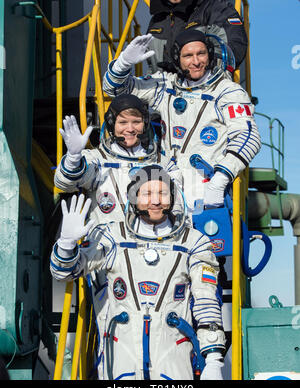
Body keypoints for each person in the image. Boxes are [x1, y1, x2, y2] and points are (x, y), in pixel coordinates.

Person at [50, 165, 226, 380]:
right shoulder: (113, 237)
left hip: (173, 358)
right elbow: (64, 273)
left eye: (162, 193)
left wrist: (213, 359)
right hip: (120, 356)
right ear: (133, 197)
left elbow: (206, 300)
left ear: (172, 197)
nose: (155, 201)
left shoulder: (193, 242)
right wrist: (66, 245)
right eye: (147, 193)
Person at [103, 30, 261, 214]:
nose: (196, 61)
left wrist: (219, 180)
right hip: (165, 189)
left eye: (201, 54)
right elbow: (115, 91)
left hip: (207, 190)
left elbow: (248, 136)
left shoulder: (227, 91)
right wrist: (123, 64)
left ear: (209, 55)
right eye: (188, 55)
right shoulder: (166, 86)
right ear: (177, 58)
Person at [55, 93, 180, 226]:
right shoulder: (97, 160)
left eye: (136, 122)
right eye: (123, 122)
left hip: (150, 242)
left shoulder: (163, 164)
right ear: (111, 124)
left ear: (145, 124)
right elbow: (64, 185)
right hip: (108, 244)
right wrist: (73, 159)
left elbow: (178, 207)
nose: (130, 129)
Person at [146, 0, 248, 74]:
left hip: (207, 92)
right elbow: (152, 66)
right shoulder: (157, 19)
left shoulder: (216, 8)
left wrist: (190, 69)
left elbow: (233, 48)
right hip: (162, 96)